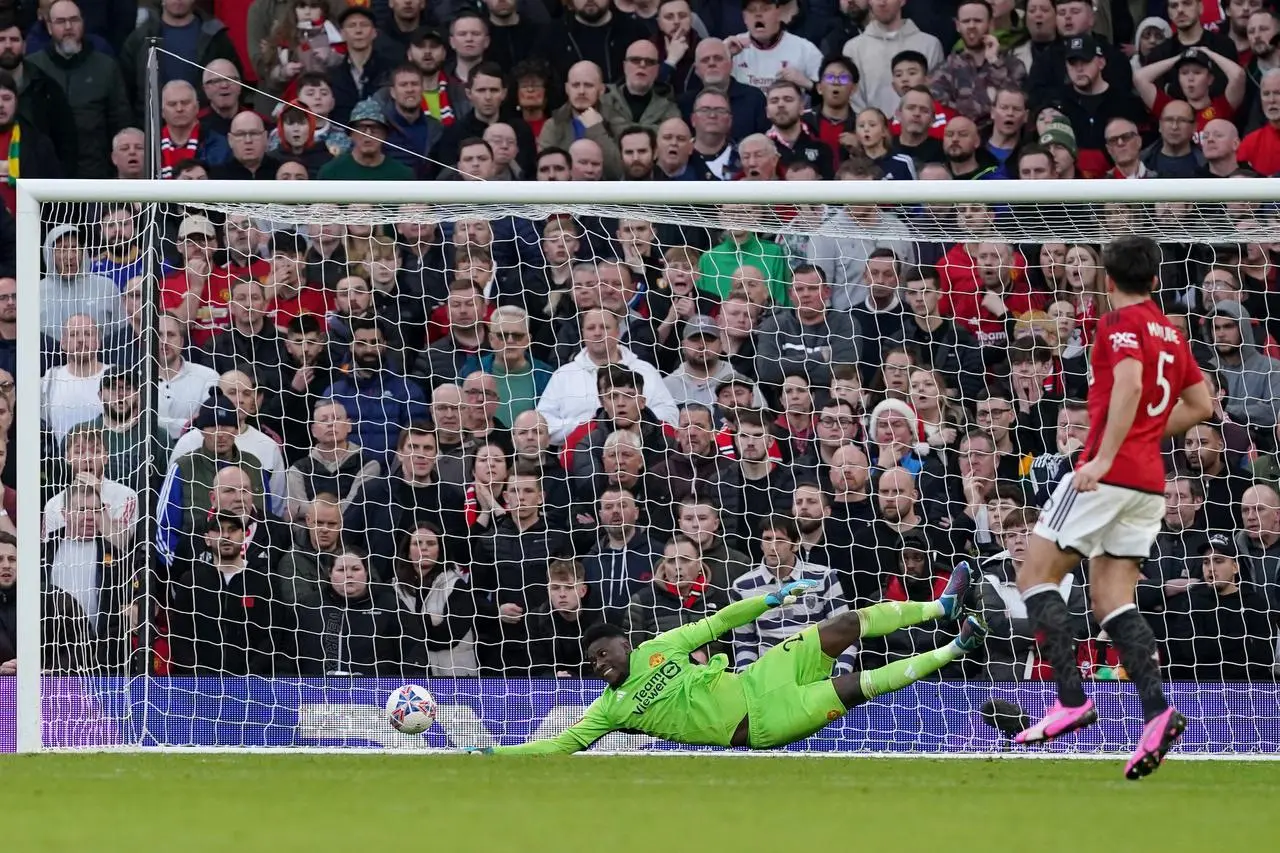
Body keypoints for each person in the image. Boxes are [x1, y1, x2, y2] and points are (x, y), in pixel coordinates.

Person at [1012, 235, 1214, 780]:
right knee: (1110, 600)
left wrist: (1104, 456)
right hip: (1149, 480)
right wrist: (1147, 437)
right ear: (1154, 280)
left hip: (1108, 475)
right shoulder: (1172, 333)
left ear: (1106, 280)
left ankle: (1071, 699)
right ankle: (1157, 710)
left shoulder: (1117, 325)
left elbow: (1126, 382)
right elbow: (1202, 404)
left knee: (1034, 573)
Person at [468, 565, 983, 754]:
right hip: (759, 723)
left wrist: (771, 600)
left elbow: (719, 623)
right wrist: (497, 755)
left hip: (758, 676)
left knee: (842, 626)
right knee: (855, 687)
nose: (600, 662)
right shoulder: (609, 709)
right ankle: (955, 647)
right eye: (592, 660)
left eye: (604, 651)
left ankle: (941, 606)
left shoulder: (658, 648)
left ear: (626, 644)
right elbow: (559, 745)